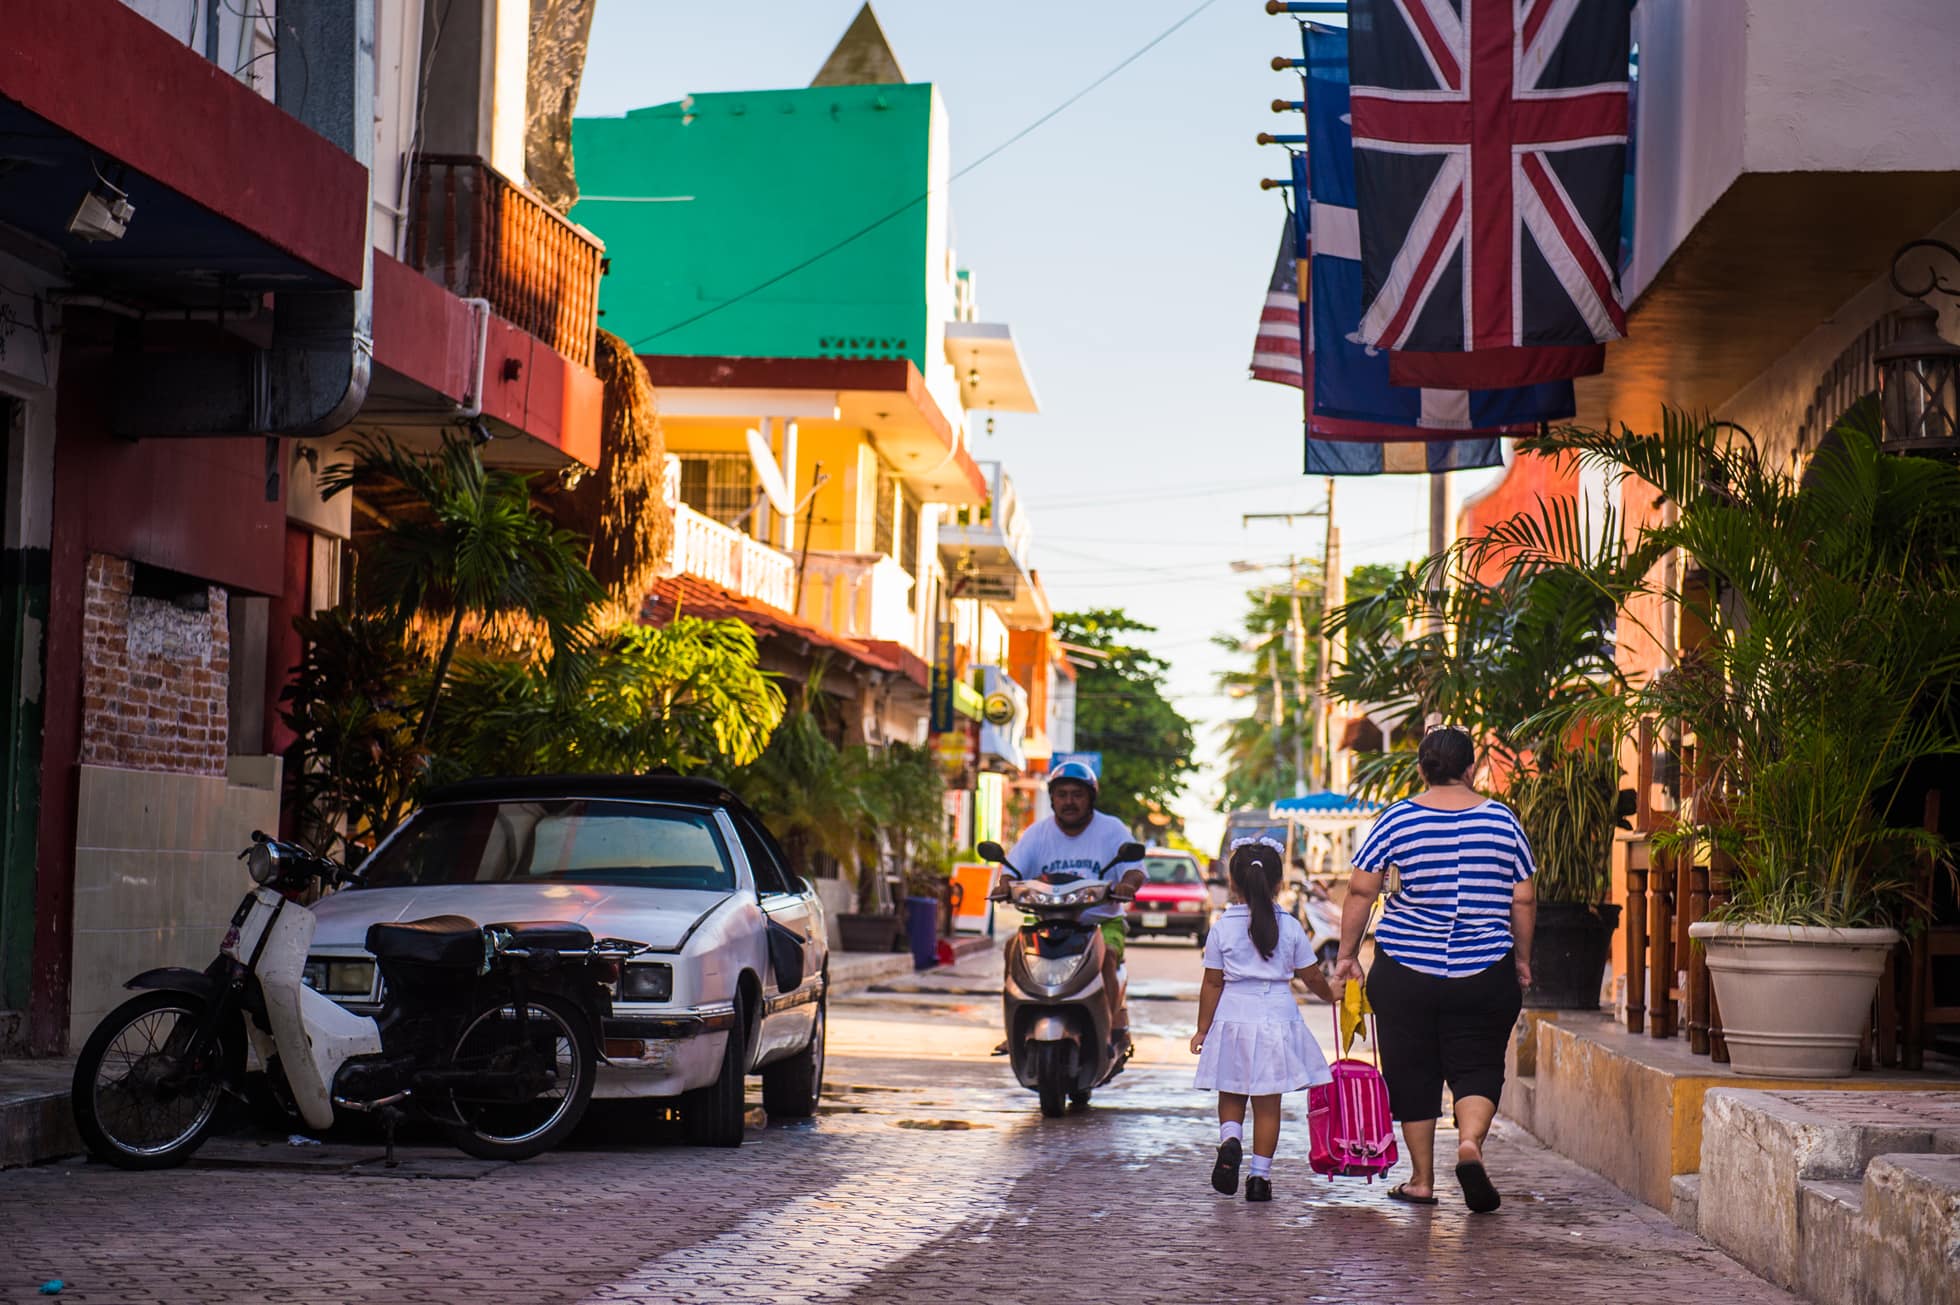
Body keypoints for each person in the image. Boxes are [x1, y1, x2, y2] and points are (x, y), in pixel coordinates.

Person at [1330, 726, 1536, 1213]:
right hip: (1486, 970)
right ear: (1471, 769)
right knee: (1479, 1064)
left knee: (1412, 1070)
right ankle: (1469, 1146)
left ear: (1422, 769)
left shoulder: (1396, 820)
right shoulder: (1503, 821)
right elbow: (1522, 897)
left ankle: (1421, 1180)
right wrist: (1522, 959)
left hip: (1406, 970)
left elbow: (1362, 890)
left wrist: (1347, 954)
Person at [1189, 838, 1336, 1203]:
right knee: (1268, 1104)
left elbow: (1212, 982)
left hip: (1233, 1016)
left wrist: (1202, 1029)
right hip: (1277, 1018)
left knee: (1232, 1091)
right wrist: (1333, 995)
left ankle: (1230, 1139)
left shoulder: (1222, 927)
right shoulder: (1290, 927)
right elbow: (1312, 976)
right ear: (1279, 884)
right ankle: (1259, 1178)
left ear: (1233, 882)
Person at [1006, 760, 1144, 1054]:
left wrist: (1127, 885)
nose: (1069, 801)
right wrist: (1004, 884)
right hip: (1047, 921)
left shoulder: (1111, 829)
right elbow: (1012, 870)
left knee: (1105, 956)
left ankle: (1110, 1029)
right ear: (1053, 799)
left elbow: (1134, 869)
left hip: (1101, 921)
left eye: (1077, 794)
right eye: (1062, 794)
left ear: (1090, 798)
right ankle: (1015, 1025)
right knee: (1012, 948)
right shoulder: (1036, 833)